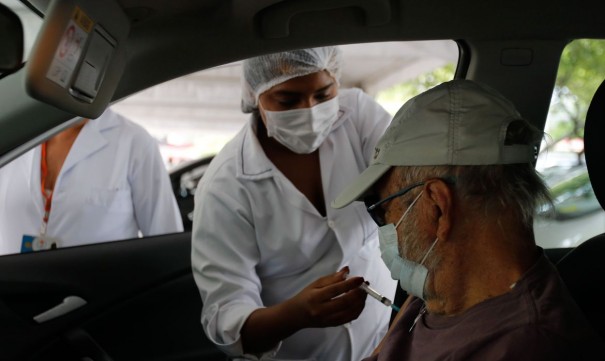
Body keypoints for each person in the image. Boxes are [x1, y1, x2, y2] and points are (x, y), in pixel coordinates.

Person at [331, 79, 604, 360]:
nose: (385, 225)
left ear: (437, 207)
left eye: (382, 209)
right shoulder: (439, 291)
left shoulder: (525, 347)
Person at [191, 46, 397, 360]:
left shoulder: (358, 116)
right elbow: (228, 324)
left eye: (323, 95)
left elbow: (408, 184)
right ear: (255, 95)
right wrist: (296, 315)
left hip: (383, 345)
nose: (310, 111)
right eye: (288, 101)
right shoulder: (225, 187)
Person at [0, 108, 184, 255]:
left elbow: (167, 244)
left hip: (103, 296)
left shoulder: (134, 142)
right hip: (12, 291)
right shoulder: (12, 133)